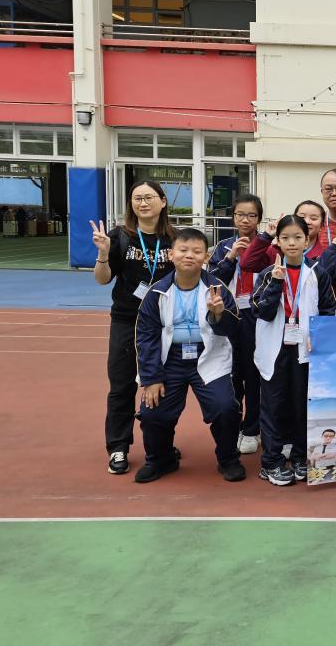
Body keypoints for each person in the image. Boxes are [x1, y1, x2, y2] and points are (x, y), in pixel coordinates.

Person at [133, 228, 245, 484]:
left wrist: (218, 315)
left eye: (196, 251)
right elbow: (146, 336)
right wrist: (151, 378)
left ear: (206, 257)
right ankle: (160, 460)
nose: (189, 256)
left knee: (226, 407)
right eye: (183, 250)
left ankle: (228, 459)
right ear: (171, 254)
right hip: (169, 361)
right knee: (152, 412)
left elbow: (234, 330)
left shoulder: (217, 289)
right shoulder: (156, 292)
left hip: (208, 357)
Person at [90, 180, 176, 476]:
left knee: (164, 385)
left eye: (149, 197)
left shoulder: (174, 239)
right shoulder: (120, 237)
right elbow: (102, 279)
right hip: (127, 320)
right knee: (122, 385)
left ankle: (161, 446)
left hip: (165, 323)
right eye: (137, 198)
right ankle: (118, 447)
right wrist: (103, 253)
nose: (143, 203)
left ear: (162, 201)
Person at [251, 215, 336, 487]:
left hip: (305, 349)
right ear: (277, 240)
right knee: (273, 406)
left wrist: (319, 339)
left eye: (297, 237)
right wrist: (276, 283)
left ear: (307, 239)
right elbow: (261, 311)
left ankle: (300, 456)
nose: (291, 243)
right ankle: (271, 461)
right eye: (285, 237)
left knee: (302, 404)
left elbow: (328, 311)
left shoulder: (317, 273)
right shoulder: (268, 274)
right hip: (274, 349)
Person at [207, 194, 265, 454]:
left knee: (253, 375)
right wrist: (231, 257)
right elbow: (212, 280)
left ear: (259, 219)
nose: (245, 220)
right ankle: (232, 426)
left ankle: (252, 428)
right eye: (240, 214)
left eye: (251, 215)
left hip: (256, 316)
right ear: (232, 217)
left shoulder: (266, 245)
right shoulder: (223, 246)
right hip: (229, 315)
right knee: (232, 374)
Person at [240, 199, 330, 275]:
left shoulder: (325, 255)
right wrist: (267, 236)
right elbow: (247, 264)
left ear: (322, 225)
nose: (307, 221)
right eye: (302, 217)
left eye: (313, 218)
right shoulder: (277, 251)